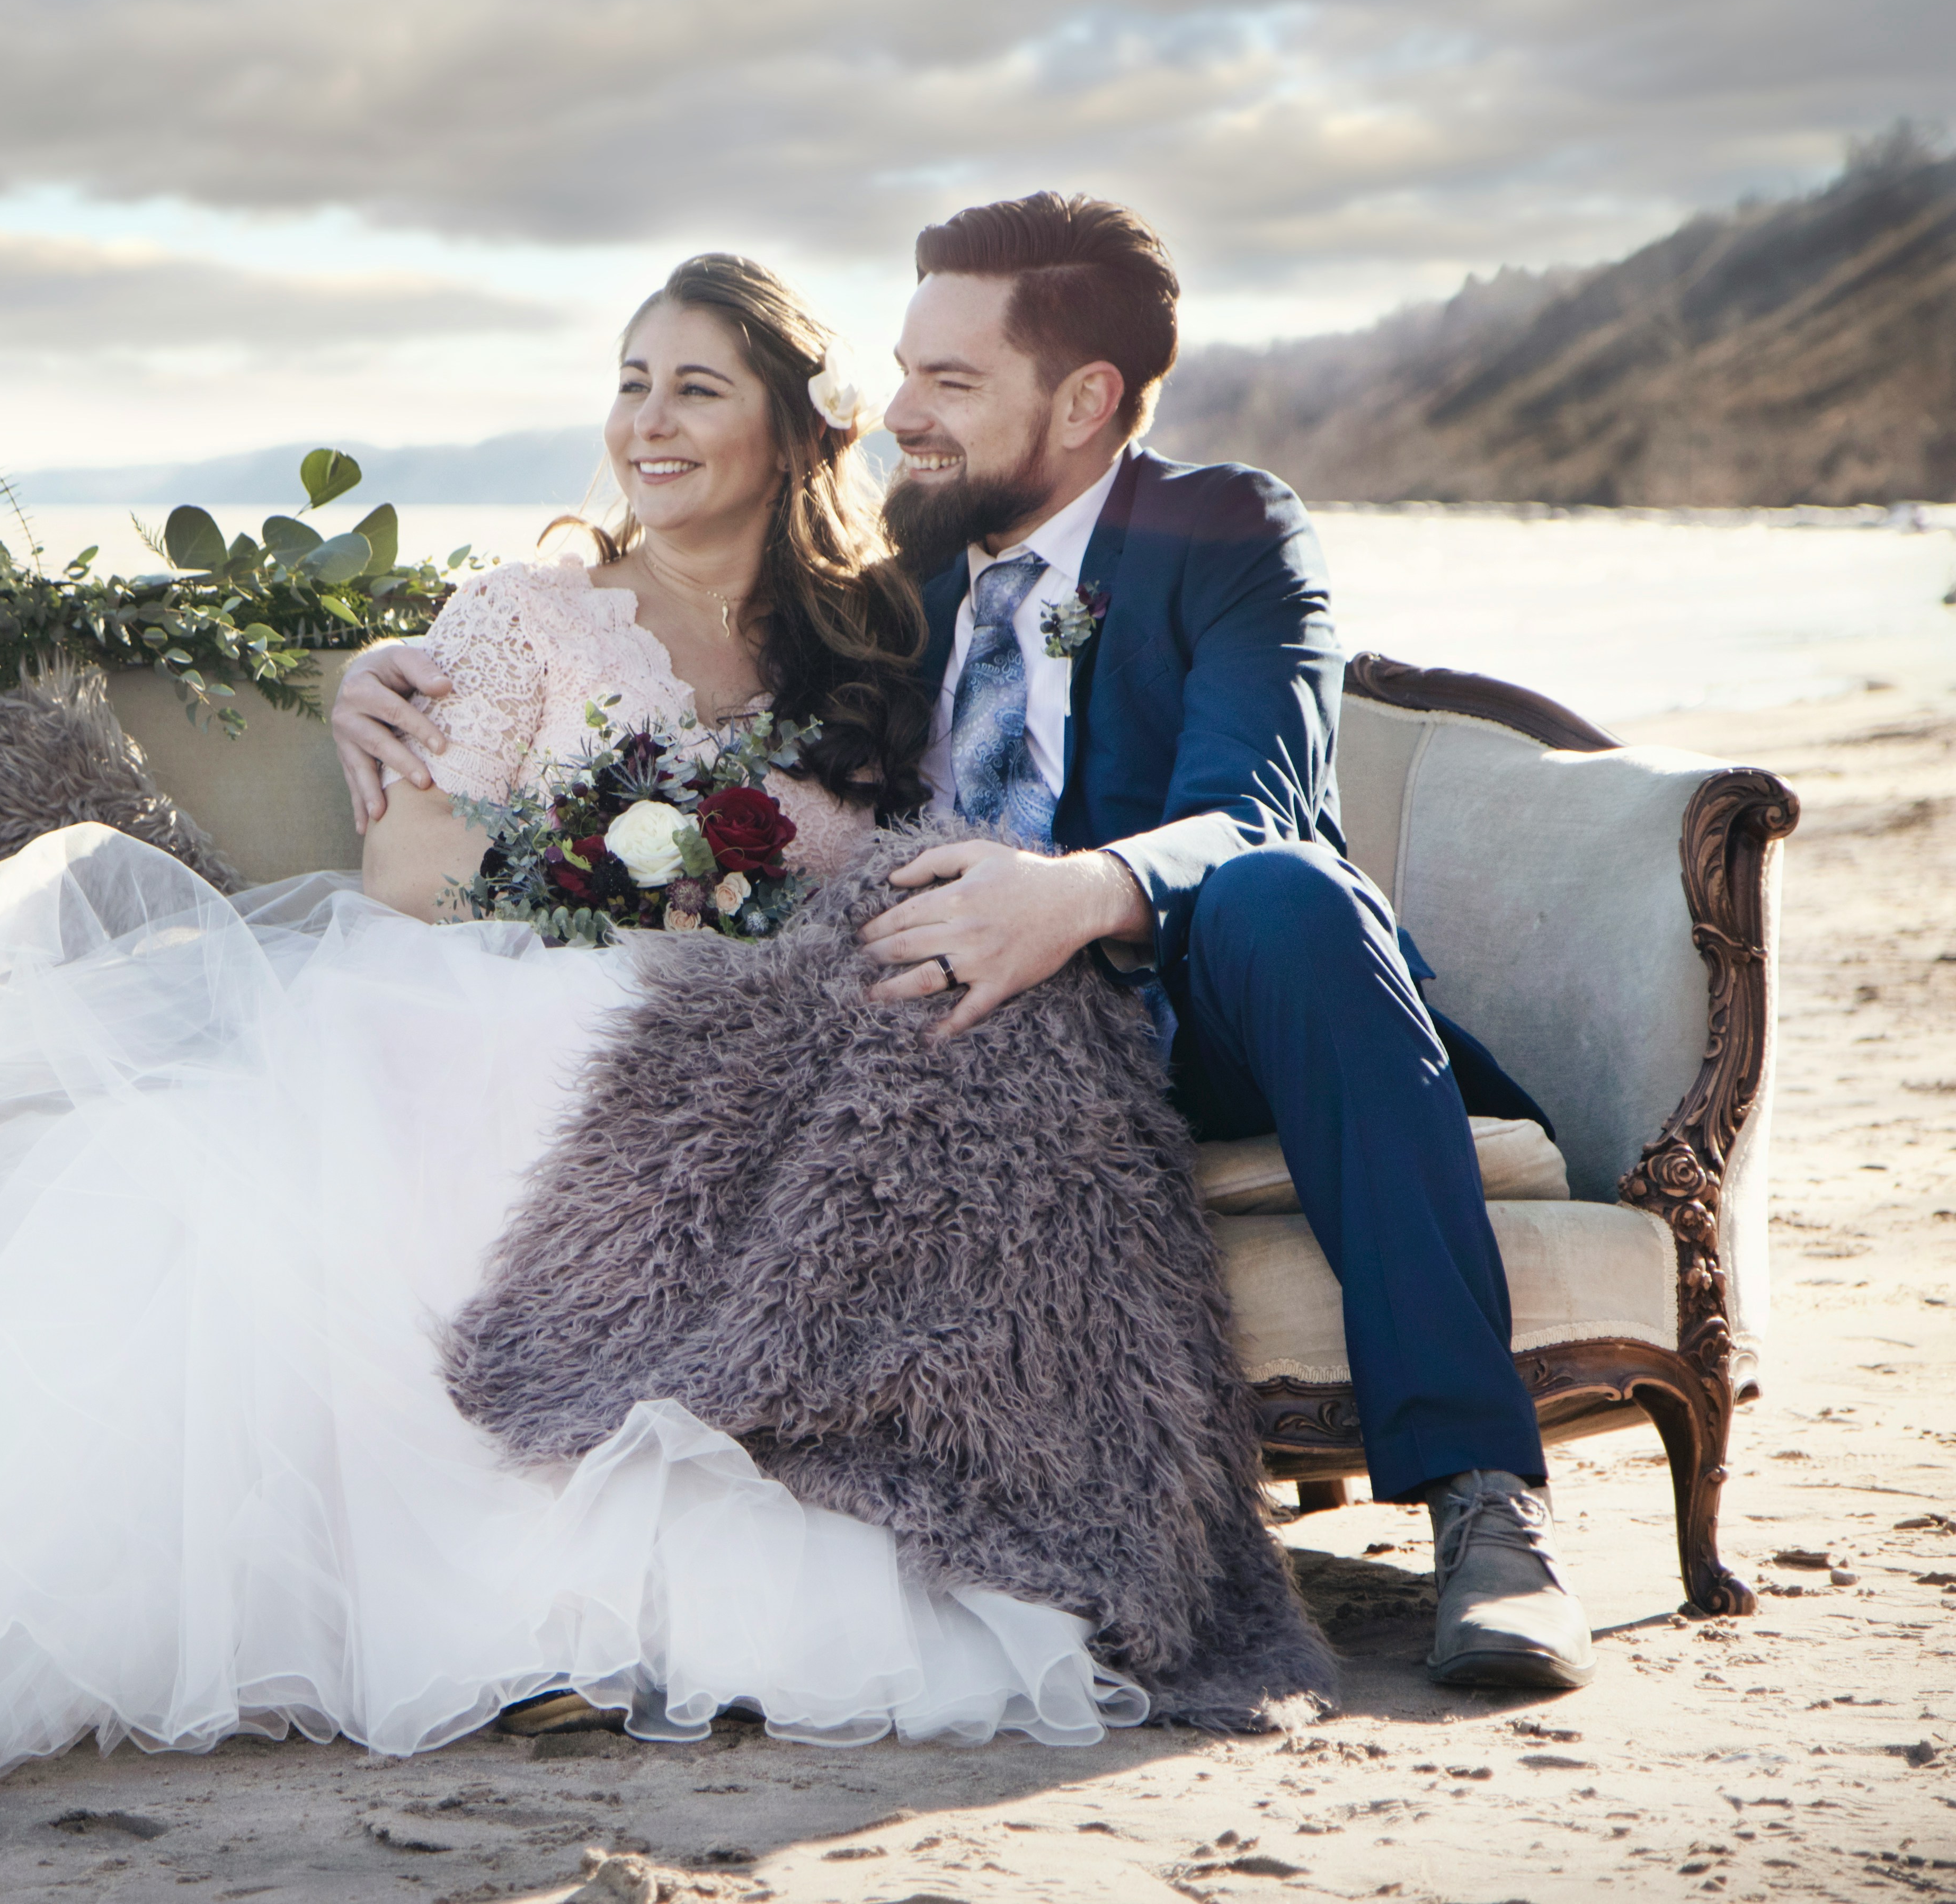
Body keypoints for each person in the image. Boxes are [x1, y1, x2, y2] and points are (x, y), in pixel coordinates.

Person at [0, 254, 1153, 1827]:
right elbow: (419, 875)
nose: (649, 422)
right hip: (508, 969)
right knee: (505, 1061)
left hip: (753, 1014)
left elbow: (918, 842)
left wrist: (758, 915)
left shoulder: (872, 631)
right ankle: (496, 1608)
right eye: (627, 386)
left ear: (787, 425)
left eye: (696, 387)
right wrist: (618, 882)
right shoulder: (525, 618)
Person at [335, 194, 1595, 1693]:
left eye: (951, 382)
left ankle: (1486, 1507)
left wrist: (1076, 898)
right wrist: (381, 668)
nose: (901, 415)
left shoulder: (1225, 531)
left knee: (1291, 893)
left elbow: (1255, 809)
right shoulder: (885, 580)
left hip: (1207, 1003)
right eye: (903, 370)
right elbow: (681, 659)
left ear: (1084, 400)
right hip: (956, 1033)